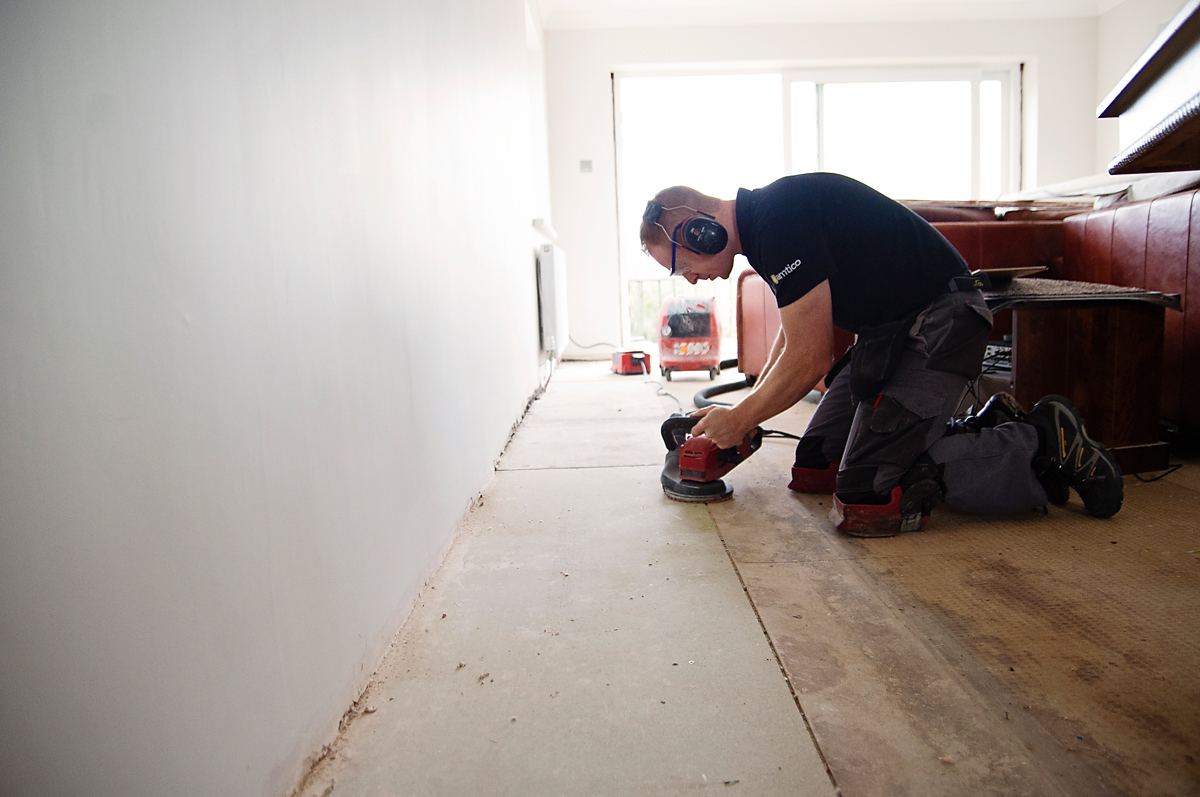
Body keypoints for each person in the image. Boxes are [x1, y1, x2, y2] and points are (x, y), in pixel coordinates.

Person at [639, 173, 1124, 536]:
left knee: (868, 494)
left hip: (943, 320)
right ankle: (977, 424)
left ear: (699, 232)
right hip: (889, 333)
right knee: (816, 465)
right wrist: (743, 408)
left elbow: (810, 360)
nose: (690, 280)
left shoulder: (780, 218)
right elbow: (794, 334)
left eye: (680, 266)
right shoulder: (764, 230)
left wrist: (740, 418)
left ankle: (1039, 441)